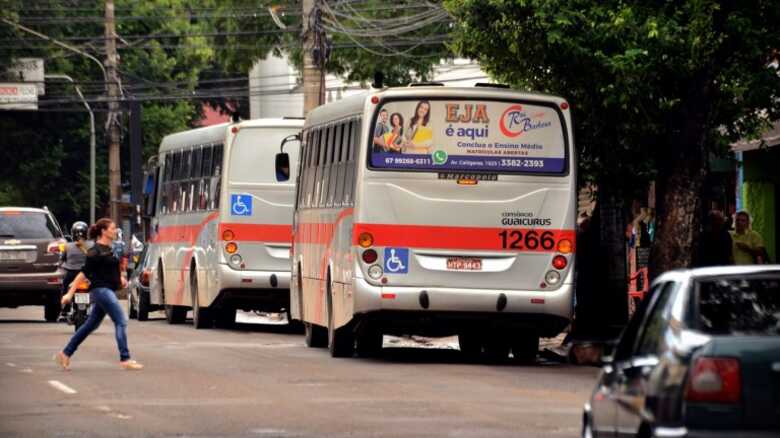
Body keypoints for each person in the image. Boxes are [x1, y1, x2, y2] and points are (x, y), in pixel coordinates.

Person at [54, 218, 143, 371]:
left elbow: (109, 270)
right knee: (121, 320)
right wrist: (69, 293)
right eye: (113, 228)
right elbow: (83, 273)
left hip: (107, 289)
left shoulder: (109, 249)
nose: (115, 231)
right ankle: (125, 358)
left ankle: (65, 353)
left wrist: (120, 278)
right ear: (104, 231)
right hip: (101, 291)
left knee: (90, 325)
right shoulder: (94, 252)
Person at [58, 221, 91, 322]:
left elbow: (62, 259)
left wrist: (61, 264)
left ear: (72, 233)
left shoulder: (67, 246)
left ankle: (64, 309)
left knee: (64, 287)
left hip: (71, 274)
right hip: (87, 275)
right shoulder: (91, 245)